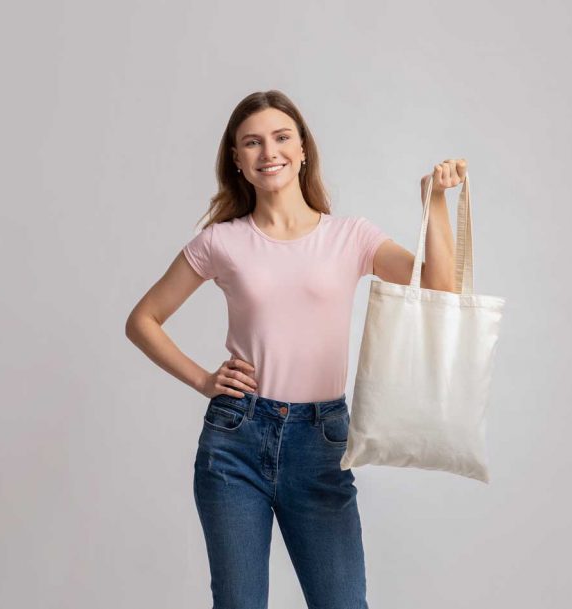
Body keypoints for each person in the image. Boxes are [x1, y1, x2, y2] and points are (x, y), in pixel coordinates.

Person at [125, 89, 465, 609]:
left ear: (303, 148)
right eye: (252, 143)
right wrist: (203, 379)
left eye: (281, 137)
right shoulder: (221, 242)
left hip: (322, 441)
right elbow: (142, 320)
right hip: (236, 439)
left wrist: (433, 202)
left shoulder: (350, 236)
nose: (269, 152)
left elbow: (441, 289)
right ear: (237, 161)